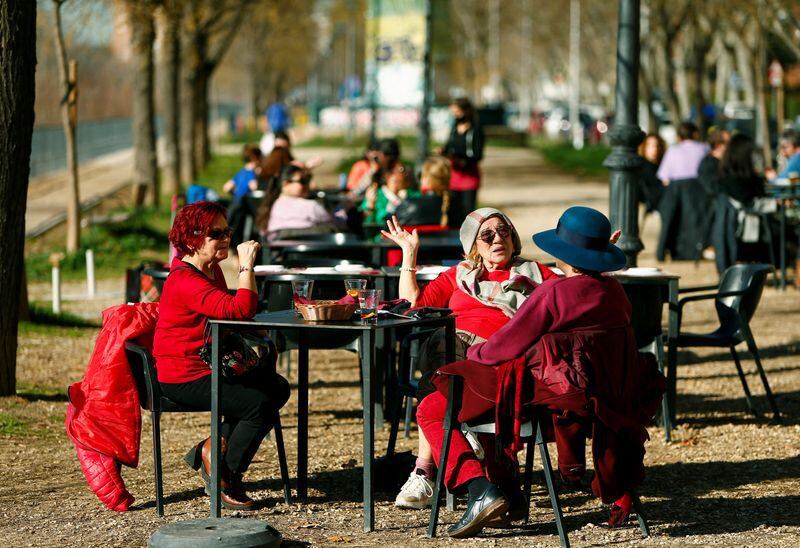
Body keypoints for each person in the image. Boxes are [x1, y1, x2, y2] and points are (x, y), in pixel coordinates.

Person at [417, 207, 641, 538]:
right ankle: (508, 490)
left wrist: (473, 353)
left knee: (435, 406)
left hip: (547, 400)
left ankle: (478, 489)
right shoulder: (615, 294)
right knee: (485, 393)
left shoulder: (554, 293)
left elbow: (502, 347)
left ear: (562, 252)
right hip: (596, 398)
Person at [380, 207, 560, 510]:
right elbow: (413, 305)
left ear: (514, 239)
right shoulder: (459, 274)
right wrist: (409, 254)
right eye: (486, 235)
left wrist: (589, 259)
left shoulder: (537, 273)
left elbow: (570, 297)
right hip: (456, 353)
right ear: (473, 246)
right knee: (443, 345)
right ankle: (452, 443)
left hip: (506, 360)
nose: (496, 239)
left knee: (440, 377)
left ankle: (426, 469)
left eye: (503, 231)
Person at [153, 201, 290, 510]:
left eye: (227, 231)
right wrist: (245, 267)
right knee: (259, 403)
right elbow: (239, 311)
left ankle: (210, 449)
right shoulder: (185, 280)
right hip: (184, 376)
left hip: (208, 365)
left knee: (276, 387)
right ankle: (226, 476)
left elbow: (228, 318)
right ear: (191, 239)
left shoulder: (210, 270)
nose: (226, 239)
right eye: (216, 233)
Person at [257, 164, 337, 241]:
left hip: (279, 254)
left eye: (307, 180)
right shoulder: (310, 206)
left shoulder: (270, 207)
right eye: (302, 181)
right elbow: (335, 224)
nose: (307, 184)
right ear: (286, 184)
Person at [442, 97, 484, 226]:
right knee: (453, 213)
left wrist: (463, 161)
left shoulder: (475, 129)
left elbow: (478, 154)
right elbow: (449, 146)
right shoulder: (454, 128)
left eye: (457, 111)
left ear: (466, 111)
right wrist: (444, 151)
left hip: (469, 177)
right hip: (454, 177)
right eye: (453, 112)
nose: (455, 115)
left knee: (468, 214)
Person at [394, 155, 458, 228]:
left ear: (427, 178)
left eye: (421, 175)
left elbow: (387, 227)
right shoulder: (457, 207)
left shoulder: (409, 205)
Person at [223, 144, 262, 247]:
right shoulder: (252, 173)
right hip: (244, 207)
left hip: (234, 204)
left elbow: (226, 187)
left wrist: (235, 192)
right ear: (255, 158)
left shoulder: (240, 172)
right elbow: (254, 186)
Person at [657, 121, 710, 185]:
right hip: (702, 188)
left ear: (678, 137)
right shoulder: (705, 148)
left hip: (679, 190)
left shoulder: (672, 151)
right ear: (695, 134)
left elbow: (665, 179)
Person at [636, 133, 666, 213]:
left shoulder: (662, 164)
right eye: (650, 146)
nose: (655, 149)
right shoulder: (642, 165)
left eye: (657, 145)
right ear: (644, 147)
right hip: (650, 203)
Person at [697, 127, 731, 198]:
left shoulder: (729, 162)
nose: (732, 146)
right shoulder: (707, 165)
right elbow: (711, 189)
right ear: (717, 144)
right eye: (728, 143)